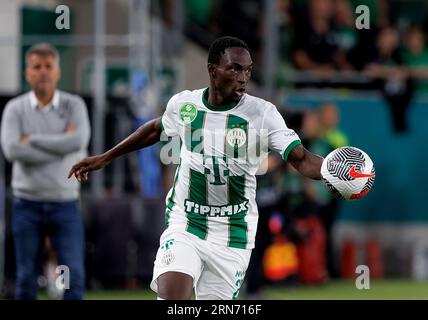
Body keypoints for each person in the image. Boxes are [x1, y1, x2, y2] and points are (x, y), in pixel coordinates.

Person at [68, 36, 324, 300]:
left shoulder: (263, 114)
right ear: (213, 69)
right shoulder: (185, 105)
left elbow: (300, 158)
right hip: (187, 222)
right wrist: (107, 157)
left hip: (232, 231)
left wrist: (331, 172)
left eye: (247, 70)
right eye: (234, 68)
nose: (243, 77)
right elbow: (156, 129)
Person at [1, 43, 90, 299]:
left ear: (57, 72)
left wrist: (32, 139)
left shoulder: (74, 105)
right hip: (26, 204)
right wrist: (60, 144)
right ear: (27, 73)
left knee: (74, 274)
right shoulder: (15, 109)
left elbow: (77, 141)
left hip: (66, 203)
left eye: (48, 66)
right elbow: (13, 151)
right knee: (26, 277)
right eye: (36, 67)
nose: (43, 72)